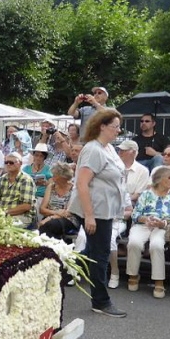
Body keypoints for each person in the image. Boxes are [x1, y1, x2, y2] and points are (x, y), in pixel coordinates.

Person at [67, 108, 127, 317]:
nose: (118, 131)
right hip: (96, 211)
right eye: (115, 127)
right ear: (102, 126)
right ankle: (101, 301)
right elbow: (82, 184)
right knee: (100, 255)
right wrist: (89, 215)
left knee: (93, 251)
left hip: (106, 210)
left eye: (119, 127)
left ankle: (61, 270)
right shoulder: (93, 149)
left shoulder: (108, 148)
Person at [125, 166, 170, 298]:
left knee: (156, 245)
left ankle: (159, 280)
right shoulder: (146, 194)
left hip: (163, 226)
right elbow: (135, 215)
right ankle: (133, 275)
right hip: (143, 224)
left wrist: (162, 223)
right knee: (134, 242)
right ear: (159, 179)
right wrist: (145, 219)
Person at [38, 162, 78, 240]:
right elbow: (42, 209)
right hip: (50, 217)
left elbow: (68, 212)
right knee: (47, 226)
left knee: (50, 225)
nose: (53, 178)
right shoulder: (51, 187)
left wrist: (50, 218)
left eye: (55, 176)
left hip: (68, 219)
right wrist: (56, 212)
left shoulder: (74, 189)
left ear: (63, 177)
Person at [0, 151, 36, 228]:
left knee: (2, 226)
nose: (8, 164)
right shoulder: (3, 178)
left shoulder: (26, 180)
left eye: (11, 162)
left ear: (20, 163)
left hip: (22, 215)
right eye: (6, 162)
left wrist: (5, 212)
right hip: (4, 213)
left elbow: (26, 206)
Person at [117, 140, 150, 205]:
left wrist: (125, 201)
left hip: (131, 203)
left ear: (134, 152)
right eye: (120, 150)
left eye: (124, 150)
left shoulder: (143, 171)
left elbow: (137, 194)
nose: (120, 152)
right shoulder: (114, 167)